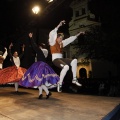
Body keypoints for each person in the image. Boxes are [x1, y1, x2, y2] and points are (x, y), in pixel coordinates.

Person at [19, 33, 59, 99]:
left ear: (40, 47)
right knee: (39, 81)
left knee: (39, 81)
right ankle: (41, 94)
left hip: (40, 66)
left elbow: (34, 46)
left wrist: (31, 38)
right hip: (43, 66)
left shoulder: (40, 51)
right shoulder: (45, 52)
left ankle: (48, 92)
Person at [49, 20, 84, 92]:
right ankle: (60, 83)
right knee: (66, 67)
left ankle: (74, 79)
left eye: (62, 39)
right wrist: (59, 25)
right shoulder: (52, 42)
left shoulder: (62, 43)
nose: (61, 40)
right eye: (60, 38)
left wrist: (79, 34)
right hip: (55, 59)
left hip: (61, 58)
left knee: (74, 61)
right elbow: (52, 33)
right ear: (56, 38)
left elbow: (70, 39)